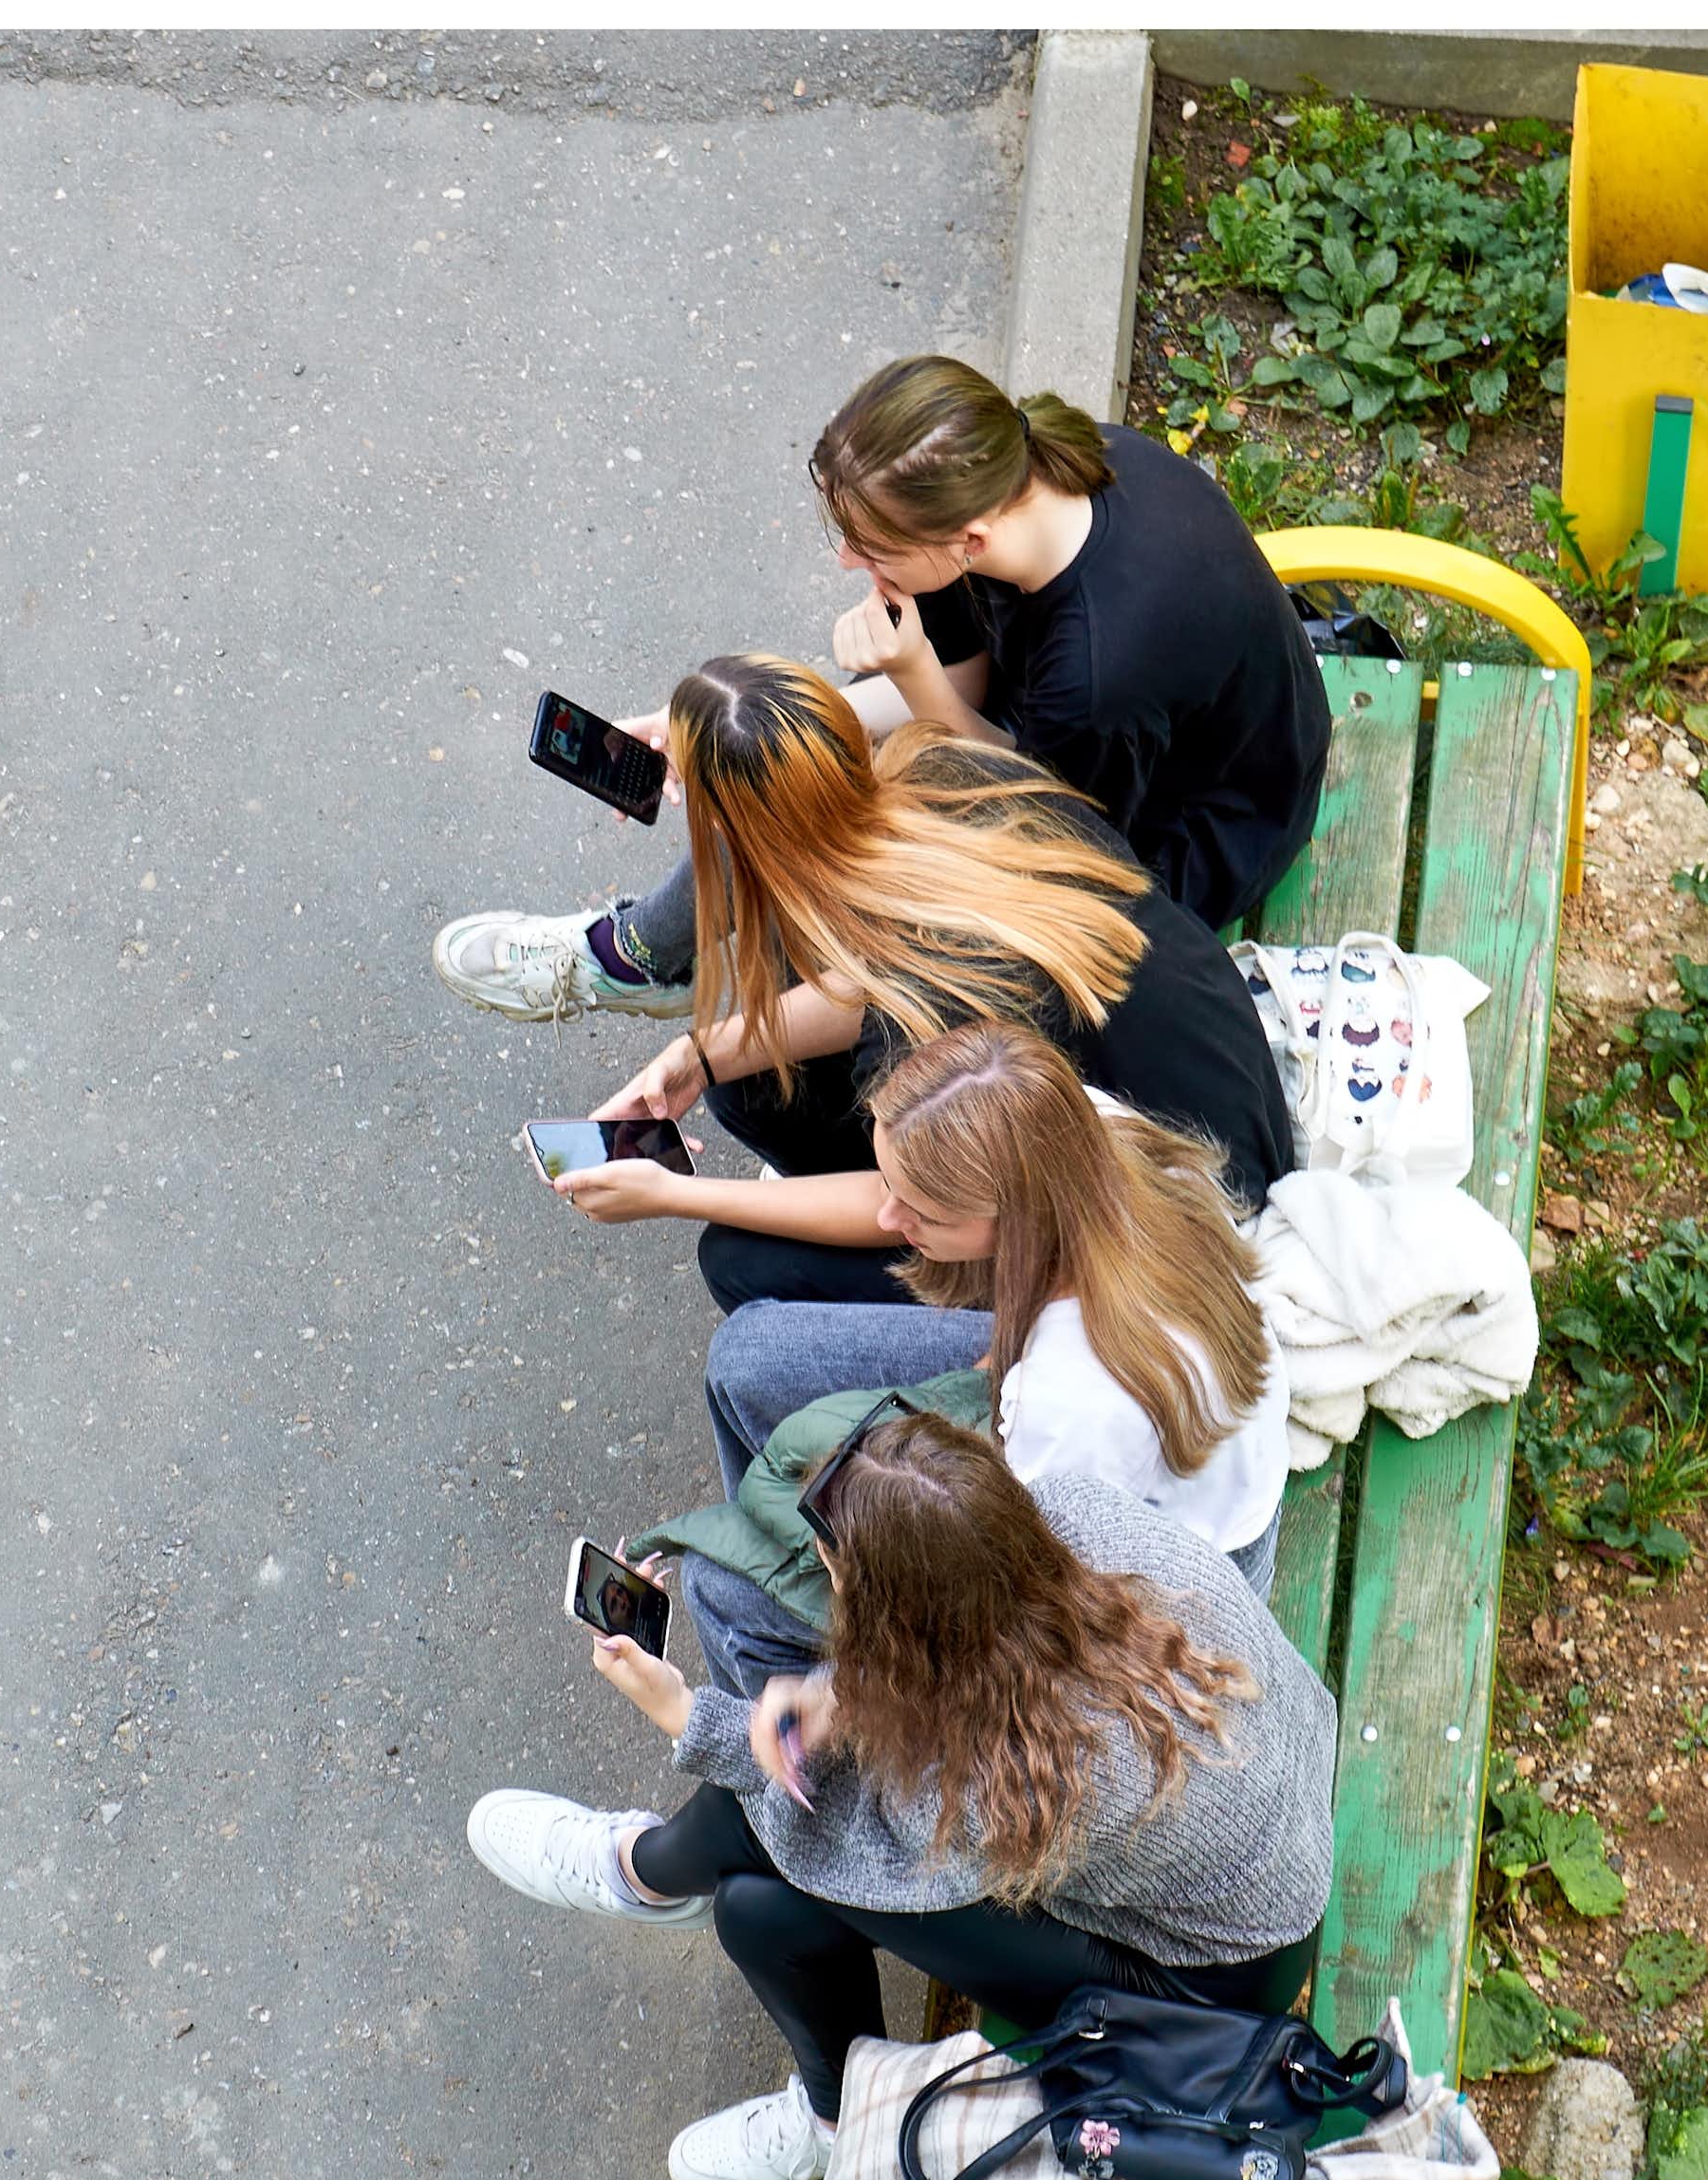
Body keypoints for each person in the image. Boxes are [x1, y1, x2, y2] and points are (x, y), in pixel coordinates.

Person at [467, 1410, 1334, 2180]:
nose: (828, 1583)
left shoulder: (1022, 1777)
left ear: (901, 1620)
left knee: (769, 1875)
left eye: (837, 1574)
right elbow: (966, 1655)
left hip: (1203, 1981)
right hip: (1277, 1811)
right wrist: (828, 1696)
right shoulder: (1068, 1516)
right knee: (756, 1906)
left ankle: (651, 1884)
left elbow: (845, 1838)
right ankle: (689, 1926)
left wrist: (687, 1715)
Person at [432, 354, 1327, 1020]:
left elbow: (1047, 815)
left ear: (965, 541)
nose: (849, 560)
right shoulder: (1039, 477)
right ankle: (652, 951)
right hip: (1105, 739)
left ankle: (641, 961)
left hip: (1179, 831)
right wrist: (739, 733)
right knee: (775, 756)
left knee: (834, 826)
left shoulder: (1100, 674)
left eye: (871, 547)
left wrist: (904, 679)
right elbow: (974, 667)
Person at [538, 655, 1291, 1312]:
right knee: (751, 1073)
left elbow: (899, 1204)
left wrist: (675, 1196)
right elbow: (884, 981)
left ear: (738, 845)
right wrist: (701, 1056)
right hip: (1220, 1072)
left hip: (1188, 1199)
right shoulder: (943, 767)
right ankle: (858, 1159)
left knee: (742, 1264)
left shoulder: (927, 1005)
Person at [683, 1024, 1289, 1719]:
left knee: (718, 1585)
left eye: (920, 1210)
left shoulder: (1072, 1405)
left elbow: (1016, 1618)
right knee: (745, 1357)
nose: (888, 1216)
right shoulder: (1081, 1129)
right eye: (892, 1182)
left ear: (1011, 1217)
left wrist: (857, 1584)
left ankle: (809, 1777)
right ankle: (770, 1537)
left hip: (1164, 1595)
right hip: (1111, 1452)